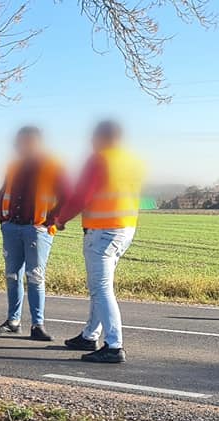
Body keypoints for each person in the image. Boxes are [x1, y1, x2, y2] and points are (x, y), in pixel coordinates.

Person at [54, 120, 145, 364]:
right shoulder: (132, 161)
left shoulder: (99, 159)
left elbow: (81, 195)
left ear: (102, 137)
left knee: (102, 288)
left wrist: (60, 219)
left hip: (102, 231)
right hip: (125, 228)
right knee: (99, 286)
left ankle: (114, 345)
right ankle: (89, 335)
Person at [0, 126, 69, 341]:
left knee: (35, 276)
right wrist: (3, 220)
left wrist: (51, 221)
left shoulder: (52, 166)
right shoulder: (14, 165)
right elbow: (4, 192)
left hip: (37, 229)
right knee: (12, 275)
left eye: (26, 141)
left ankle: (37, 324)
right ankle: (13, 321)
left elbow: (66, 195)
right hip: (12, 227)